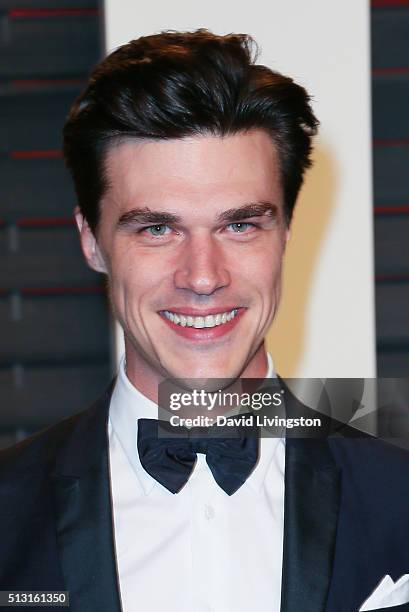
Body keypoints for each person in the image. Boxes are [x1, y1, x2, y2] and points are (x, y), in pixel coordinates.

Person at [1, 29, 409, 612]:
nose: (202, 276)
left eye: (239, 225)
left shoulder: (400, 499)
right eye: (157, 229)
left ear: (287, 231)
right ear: (91, 241)